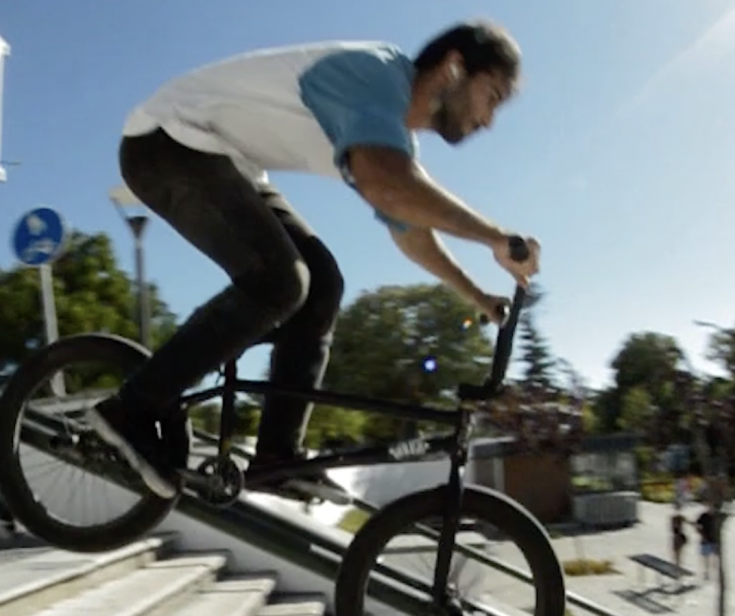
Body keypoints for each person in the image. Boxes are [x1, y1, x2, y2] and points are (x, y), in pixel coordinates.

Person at [88, 21, 540, 503]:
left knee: (322, 284)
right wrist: (496, 236)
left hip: (227, 162)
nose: (489, 121)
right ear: (453, 68)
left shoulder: (389, 135)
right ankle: (131, 408)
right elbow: (388, 186)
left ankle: (278, 455)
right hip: (166, 144)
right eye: (491, 96)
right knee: (280, 280)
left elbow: (411, 230)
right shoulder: (374, 76)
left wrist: (477, 296)